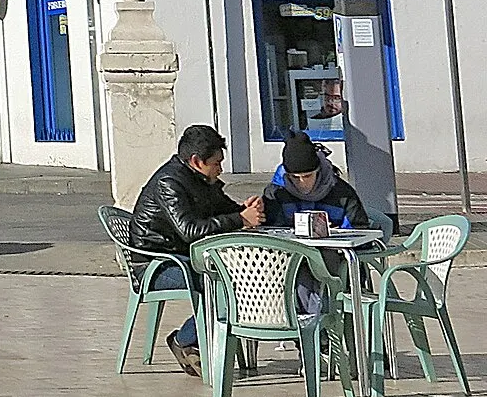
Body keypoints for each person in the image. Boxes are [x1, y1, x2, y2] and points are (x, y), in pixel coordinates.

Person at [130, 124, 264, 378]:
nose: (220, 169)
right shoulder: (169, 183)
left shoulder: (202, 180)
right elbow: (189, 230)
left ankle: (197, 341)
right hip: (156, 263)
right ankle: (186, 340)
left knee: (240, 278)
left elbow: (224, 209)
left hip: (183, 256)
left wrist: (246, 211)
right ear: (196, 161)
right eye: (216, 163)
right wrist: (240, 219)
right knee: (220, 284)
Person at [263, 131, 372, 234]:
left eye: (308, 176)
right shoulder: (275, 193)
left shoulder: (342, 193)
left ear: (318, 172)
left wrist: (335, 234)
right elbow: (270, 231)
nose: (302, 182)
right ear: (286, 175)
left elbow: (360, 230)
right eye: (295, 177)